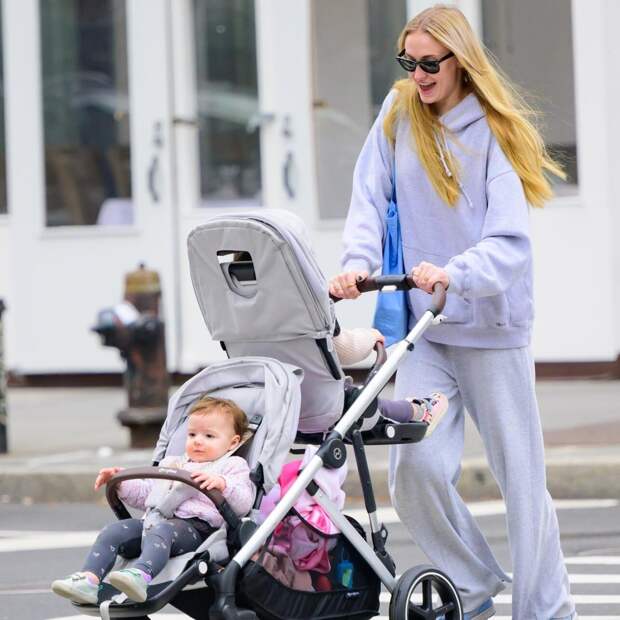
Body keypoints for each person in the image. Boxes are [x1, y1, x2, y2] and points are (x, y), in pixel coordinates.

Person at [329, 5, 575, 620]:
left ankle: (546, 610)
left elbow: (510, 243)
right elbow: (369, 197)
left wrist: (455, 273)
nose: (418, 75)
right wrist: (356, 265)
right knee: (414, 469)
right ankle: (471, 583)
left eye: (429, 64)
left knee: (521, 481)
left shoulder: (493, 131)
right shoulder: (397, 113)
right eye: (408, 62)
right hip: (428, 331)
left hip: (492, 328)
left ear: (460, 61)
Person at [51, 396, 254, 605]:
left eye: (209, 436)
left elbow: (244, 502)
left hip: (198, 531)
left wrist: (223, 484)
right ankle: (89, 580)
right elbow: (147, 494)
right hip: (154, 523)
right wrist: (121, 482)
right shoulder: (173, 464)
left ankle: (140, 576)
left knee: (163, 530)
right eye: (192, 434)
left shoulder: (232, 466)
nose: (198, 441)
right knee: (114, 531)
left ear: (233, 442)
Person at [334, 325, 448, 433]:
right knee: (361, 402)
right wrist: (371, 337)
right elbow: (345, 348)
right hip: (332, 406)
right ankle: (419, 412)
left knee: (353, 400)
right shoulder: (322, 316)